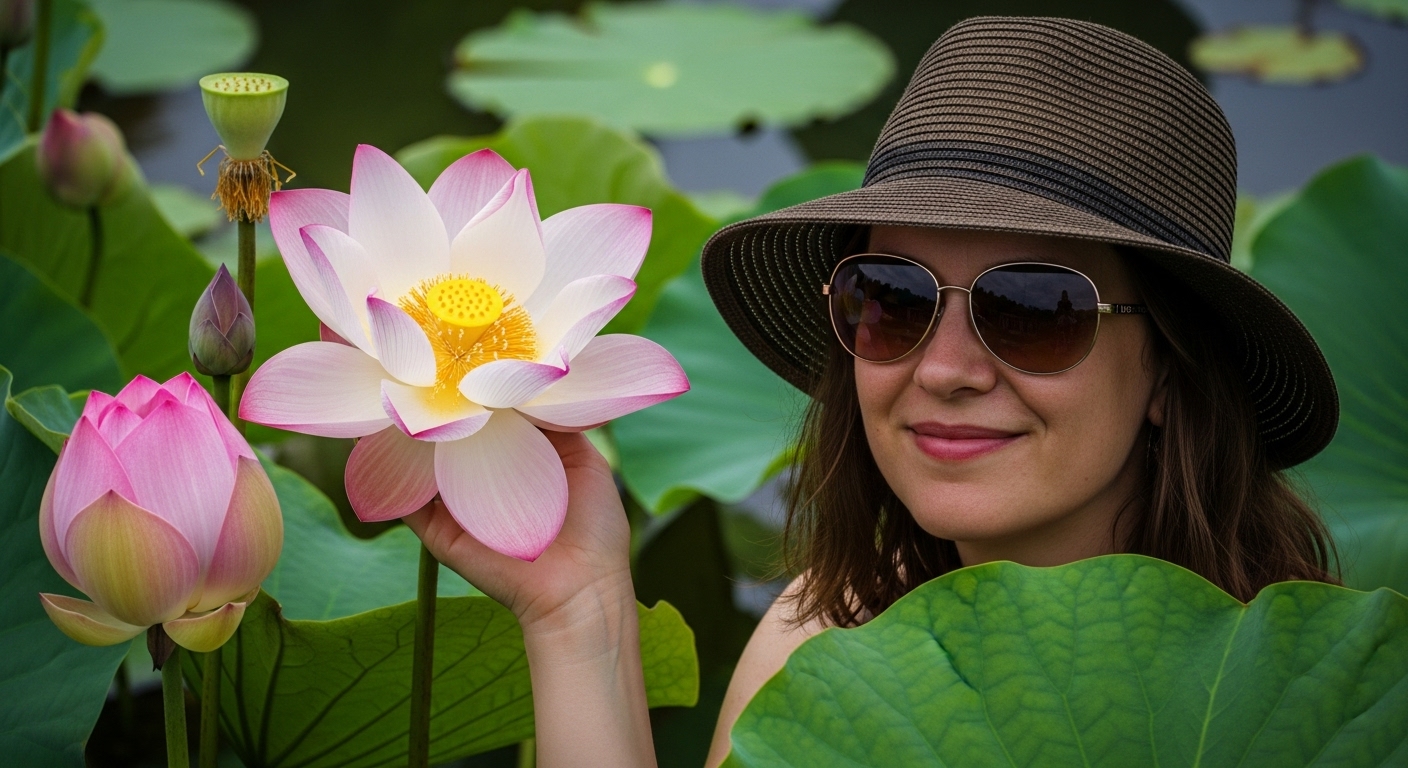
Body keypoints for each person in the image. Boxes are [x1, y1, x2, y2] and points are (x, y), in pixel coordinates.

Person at [405, 16, 1340, 768]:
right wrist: (581, 616)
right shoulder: (826, 635)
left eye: (1035, 307)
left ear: (1171, 374)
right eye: (892, 299)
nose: (943, 369)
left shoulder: (1303, 706)